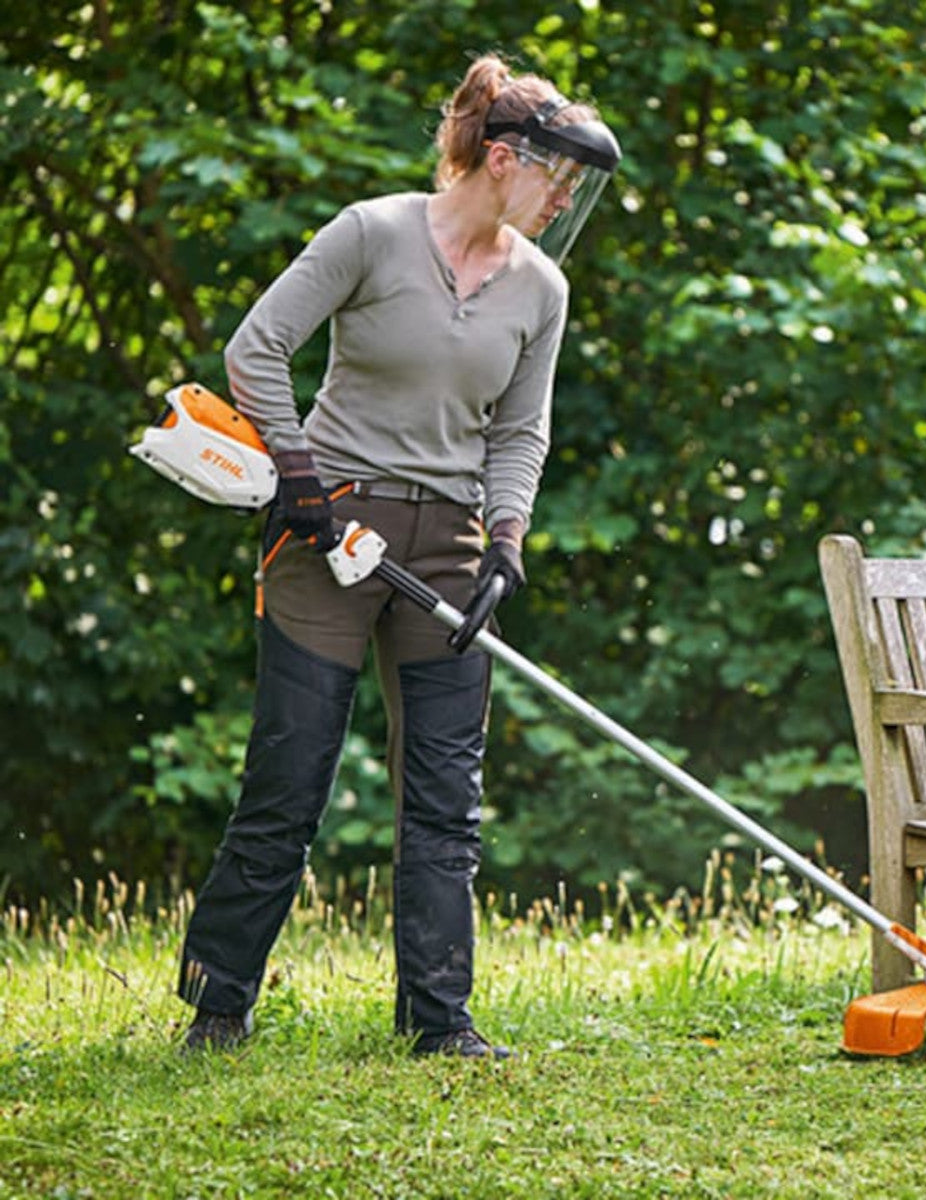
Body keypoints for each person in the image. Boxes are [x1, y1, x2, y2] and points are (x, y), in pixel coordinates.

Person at [177, 53, 621, 1057]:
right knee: (291, 778)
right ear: (503, 158)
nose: (565, 199)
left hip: (448, 547)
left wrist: (507, 539)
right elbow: (256, 350)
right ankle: (219, 1001)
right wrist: (297, 476)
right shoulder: (372, 234)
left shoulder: (540, 289)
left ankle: (439, 1019)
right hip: (324, 532)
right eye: (560, 176)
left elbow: (520, 434)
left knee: (446, 800)